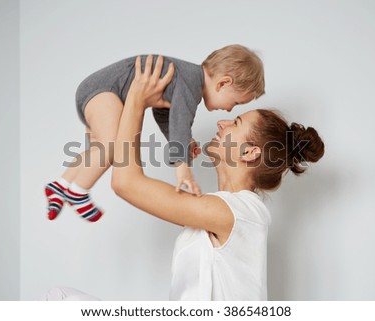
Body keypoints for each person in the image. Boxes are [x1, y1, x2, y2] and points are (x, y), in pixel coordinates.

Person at [110, 56, 325, 300]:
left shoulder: (240, 213)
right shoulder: (224, 210)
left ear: (249, 152)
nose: (222, 122)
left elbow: (125, 183)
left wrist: (136, 100)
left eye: (236, 122)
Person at [44, 45, 265, 222]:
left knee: (99, 150)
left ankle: (61, 185)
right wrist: (182, 167)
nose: (228, 110)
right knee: (111, 146)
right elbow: (180, 120)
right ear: (223, 83)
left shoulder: (183, 79)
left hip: (96, 90)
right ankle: (78, 191)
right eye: (235, 103)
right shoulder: (190, 84)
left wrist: (181, 141)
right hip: (104, 91)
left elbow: (164, 114)